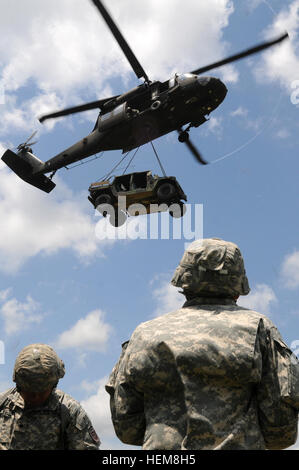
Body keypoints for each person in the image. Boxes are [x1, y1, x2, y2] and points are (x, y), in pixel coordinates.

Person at [106, 238, 299, 450]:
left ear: (184, 281)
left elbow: (126, 426)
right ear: (238, 285)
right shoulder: (260, 328)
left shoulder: (144, 334)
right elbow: (281, 429)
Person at [0, 343, 100, 450]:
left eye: (41, 392)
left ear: (53, 386)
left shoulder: (69, 412)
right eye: (30, 392)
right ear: (18, 384)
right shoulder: (3, 405)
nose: (36, 397)